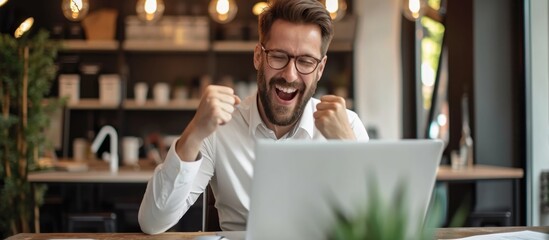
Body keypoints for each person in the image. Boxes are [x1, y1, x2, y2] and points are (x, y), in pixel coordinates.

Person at [138, 0, 369, 234]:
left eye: (305, 62)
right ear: (258, 56)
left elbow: (372, 227)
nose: (290, 75)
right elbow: (153, 222)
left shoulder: (347, 126)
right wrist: (195, 131)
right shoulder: (218, 128)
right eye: (279, 56)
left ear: (320, 69)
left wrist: (348, 150)